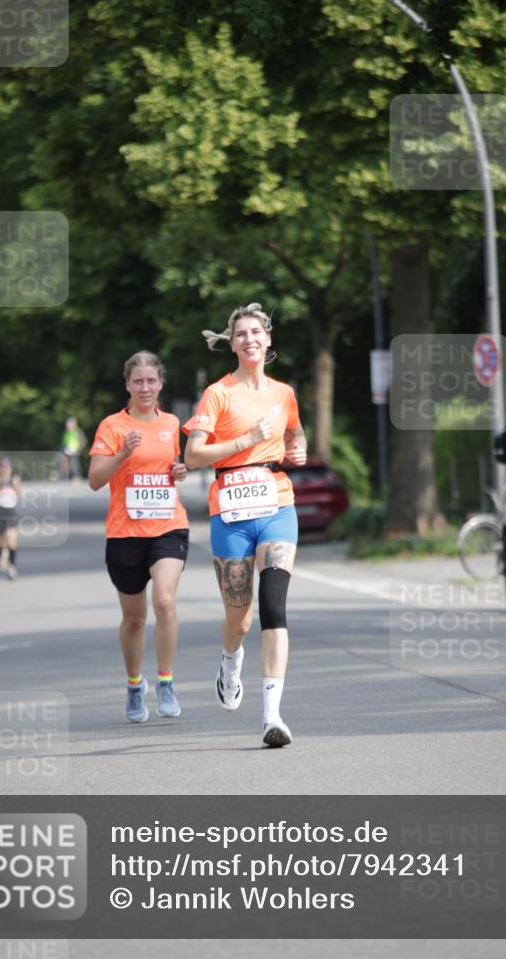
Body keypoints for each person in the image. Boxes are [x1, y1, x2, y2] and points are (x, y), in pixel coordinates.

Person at [183, 303, 307, 748]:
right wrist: (245, 440)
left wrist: (298, 448)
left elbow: (295, 432)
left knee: (274, 606)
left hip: (277, 506)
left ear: (268, 339)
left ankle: (272, 716)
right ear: (231, 344)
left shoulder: (284, 393)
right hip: (231, 514)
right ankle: (230, 661)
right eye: (241, 334)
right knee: (240, 619)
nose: (249, 339)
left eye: (256, 332)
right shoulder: (218, 394)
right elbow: (192, 456)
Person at [88, 352, 189, 723]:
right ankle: (134, 685)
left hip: (168, 525)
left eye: (151, 381)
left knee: (164, 600)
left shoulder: (171, 423)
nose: (145, 388)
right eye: (138, 381)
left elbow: (170, 467)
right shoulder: (112, 426)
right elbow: (95, 480)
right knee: (134, 619)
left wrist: (178, 471)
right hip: (125, 532)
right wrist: (122, 454)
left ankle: (166, 682)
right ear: (127, 385)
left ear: (160, 384)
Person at [0, 457, 23, 580]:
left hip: (11, 512)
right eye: (3, 467)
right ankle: (2, 557)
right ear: (0, 469)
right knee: (2, 541)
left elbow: (21, 495)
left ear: (10, 469)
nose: (5, 469)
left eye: (7, 467)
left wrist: (16, 486)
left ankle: (12, 566)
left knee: (12, 539)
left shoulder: (14, 480)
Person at [61, 416, 87, 481]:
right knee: (66, 464)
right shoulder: (67, 432)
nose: (68, 425)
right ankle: (66, 477)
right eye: (68, 424)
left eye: (70, 424)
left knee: (75, 465)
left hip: (75, 451)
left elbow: (83, 441)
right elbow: (64, 442)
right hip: (67, 451)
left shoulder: (78, 432)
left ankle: (77, 477)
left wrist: (79, 449)